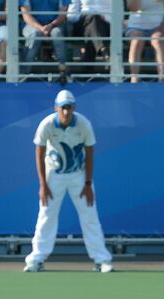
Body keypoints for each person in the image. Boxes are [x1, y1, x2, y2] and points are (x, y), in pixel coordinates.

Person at [23, 89, 116, 274]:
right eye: (63, 107)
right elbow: (39, 153)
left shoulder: (83, 124)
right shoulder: (47, 125)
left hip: (79, 176)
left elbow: (90, 152)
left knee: (90, 216)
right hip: (53, 176)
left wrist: (88, 184)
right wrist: (43, 185)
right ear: (56, 107)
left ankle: (102, 260)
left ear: (74, 108)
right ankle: (36, 259)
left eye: (69, 107)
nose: (66, 111)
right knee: (46, 215)